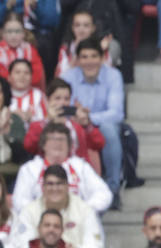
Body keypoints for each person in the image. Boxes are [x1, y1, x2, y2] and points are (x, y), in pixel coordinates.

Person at [59, 38, 122, 199]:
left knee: (109, 129)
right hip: (75, 123)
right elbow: (61, 107)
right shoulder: (67, 77)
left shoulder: (113, 75)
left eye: (94, 56)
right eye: (84, 57)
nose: (89, 62)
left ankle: (113, 188)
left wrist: (89, 118)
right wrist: (78, 116)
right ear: (78, 60)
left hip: (102, 125)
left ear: (101, 58)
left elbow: (116, 113)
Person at [12, 121, 112, 215]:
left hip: (77, 221)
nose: (58, 143)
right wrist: (45, 214)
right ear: (43, 145)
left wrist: (82, 211)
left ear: (69, 145)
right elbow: (19, 201)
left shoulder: (81, 167)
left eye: (62, 139)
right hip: (40, 222)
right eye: (53, 139)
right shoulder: (29, 169)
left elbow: (104, 194)